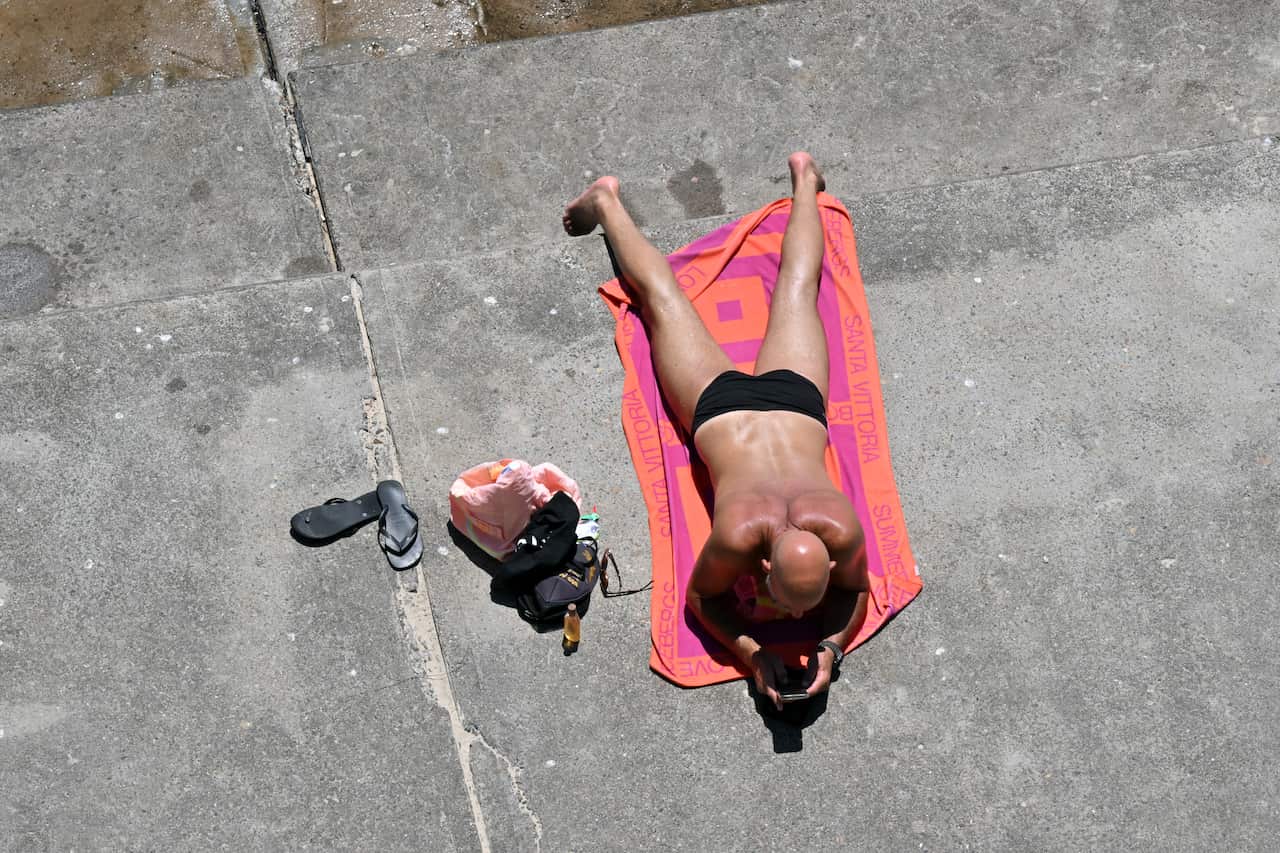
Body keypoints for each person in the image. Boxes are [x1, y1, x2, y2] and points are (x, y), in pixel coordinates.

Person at [564, 152, 868, 709]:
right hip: (725, 410)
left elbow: (854, 591)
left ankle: (805, 176)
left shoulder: (839, 531)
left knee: (789, 288)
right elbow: (703, 598)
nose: (798, 618)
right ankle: (606, 200)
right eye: (793, 604)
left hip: (791, 406)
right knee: (674, 300)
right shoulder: (742, 532)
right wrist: (752, 652)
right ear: (767, 566)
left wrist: (830, 648)